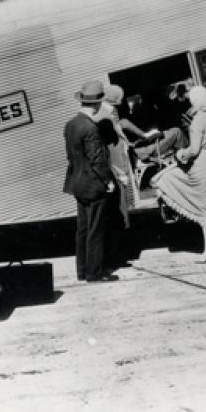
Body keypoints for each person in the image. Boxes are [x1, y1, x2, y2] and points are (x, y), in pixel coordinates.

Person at [153, 86, 206, 262]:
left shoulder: (198, 120)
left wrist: (179, 154)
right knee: (205, 206)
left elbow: (193, 150)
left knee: (163, 179)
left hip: (199, 166)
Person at [64, 80, 118, 283]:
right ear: (95, 105)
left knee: (83, 229)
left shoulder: (71, 125)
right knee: (96, 229)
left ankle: (83, 270)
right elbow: (97, 159)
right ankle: (95, 273)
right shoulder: (91, 129)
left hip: (77, 184)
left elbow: (72, 156)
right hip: (94, 185)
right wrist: (108, 181)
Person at [95, 84, 136, 267]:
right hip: (115, 171)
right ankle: (118, 256)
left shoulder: (108, 117)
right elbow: (105, 151)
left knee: (120, 211)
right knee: (117, 212)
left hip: (118, 169)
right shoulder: (105, 119)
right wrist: (118, 174)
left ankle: (120, 254)